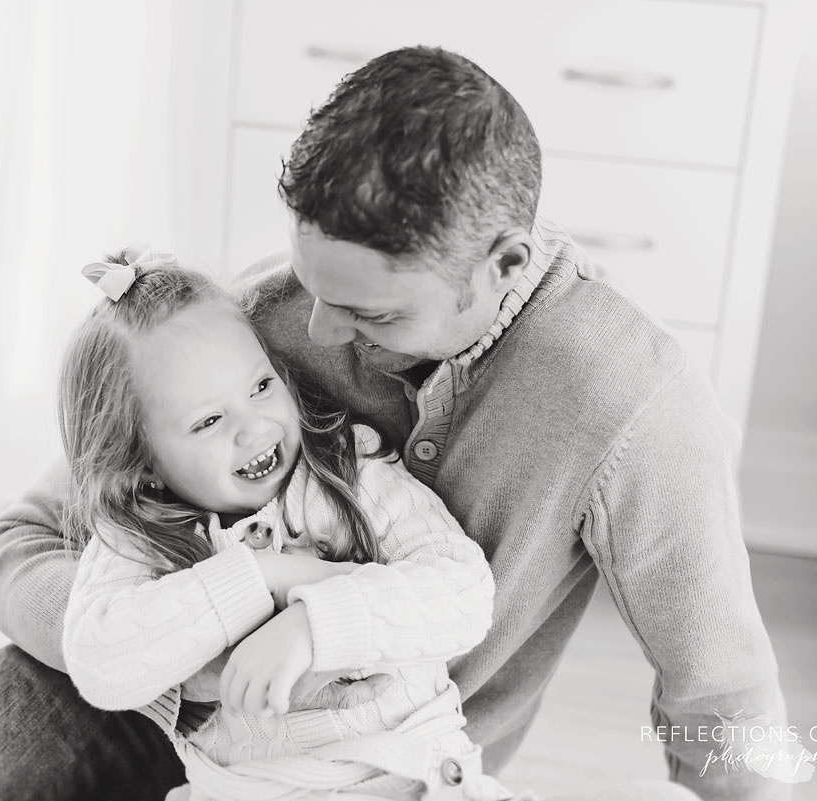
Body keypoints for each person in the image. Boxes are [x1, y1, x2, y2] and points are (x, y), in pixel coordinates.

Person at [0, 45, 760, 801]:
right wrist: (180, 655)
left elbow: (724, 693)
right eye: (307, 283)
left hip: (362, 767)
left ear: (506, 267)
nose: (313, 329)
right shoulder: (259, 323)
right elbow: (17, 545)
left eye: (368, 313)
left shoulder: (632, 404)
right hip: (127, 700)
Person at [58, 248, 512, 800]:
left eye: (260, 387)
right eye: (208, 421)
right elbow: (101, 663)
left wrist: (311, 626)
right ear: (141, 462)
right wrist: (259, 575)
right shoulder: (138, 537)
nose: (254, 428)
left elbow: (464, 595)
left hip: (407, 773)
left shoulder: (351, 473)